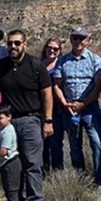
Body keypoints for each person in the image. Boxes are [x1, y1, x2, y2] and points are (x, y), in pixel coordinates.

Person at [0, 29, 53, 201]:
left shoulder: (36, 66)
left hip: (30, 120)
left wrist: (48, 120)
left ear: (25, 44)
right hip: (8, 124)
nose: (13, 47)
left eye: (17, 43)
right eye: (10, 43)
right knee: (10, 167)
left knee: (33, 164)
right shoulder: (1, 67)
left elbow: (47, 94)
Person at [53, 27, 101, 191]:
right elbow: (57, 85)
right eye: (75, 38)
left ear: (87, 40)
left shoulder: (95, 60)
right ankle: (80, 180)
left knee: (96, 143)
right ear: (71, 39)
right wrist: (65, 104)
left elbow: (98, 86)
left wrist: (83, 104)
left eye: (82, 38)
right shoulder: (62, 61)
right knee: (74, 145)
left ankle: (100, 182)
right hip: (69, 110)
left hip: (90, 108)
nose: (78, 41)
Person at [41, 38, 64, 172]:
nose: (52, 51)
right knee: (42, 143)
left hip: (57, 109)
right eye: (50, 47)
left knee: (56, 143)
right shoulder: (39, 65)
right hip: (40, 109)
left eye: (56, 49)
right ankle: (43, 171)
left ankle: (57, 172)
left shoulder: (61, 65)